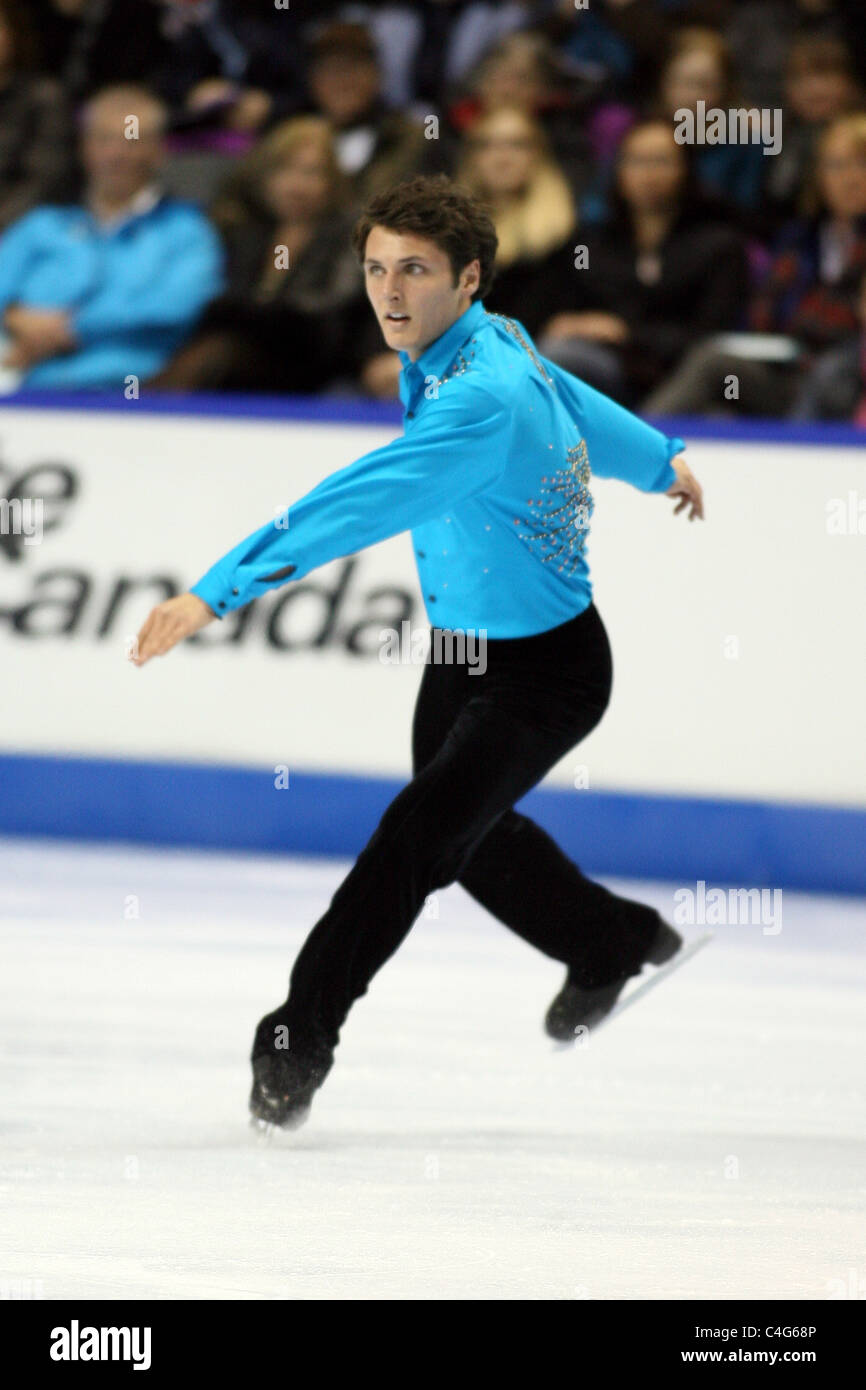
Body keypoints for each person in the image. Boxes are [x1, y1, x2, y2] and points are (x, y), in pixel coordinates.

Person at [131, 174, 704, 1130]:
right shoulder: (483, 337)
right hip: (465, 656)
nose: (389, 292)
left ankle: (297, 1037)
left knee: (414, 840)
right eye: (375, 269)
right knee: (458, 837)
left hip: (549, 675)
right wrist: (656, 458)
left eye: (416, 271)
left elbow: (352, 500)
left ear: (469, 277)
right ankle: (616, 940)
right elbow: (568, 395)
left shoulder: (476, 397)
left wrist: (214, 590)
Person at [0, 83, 223, 391]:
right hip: (19, 376)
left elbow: (175, 308)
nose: (116, 154)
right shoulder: (43, 224)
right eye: (104, 140)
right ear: (83, 148)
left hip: (129, 390)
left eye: (131, 142)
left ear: (159, 152)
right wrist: (15, 317)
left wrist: (69, 330)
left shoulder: (187, 230)